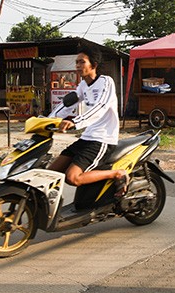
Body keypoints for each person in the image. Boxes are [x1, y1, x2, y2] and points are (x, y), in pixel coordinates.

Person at [48, 44, 129, 195]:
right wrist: (46, 121)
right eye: (77, 62)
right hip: (86, 138)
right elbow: (67, 104)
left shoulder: (106, 82)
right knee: (50, 171)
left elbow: (101, 106)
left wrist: (75, 122)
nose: (78, 66)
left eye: (82, 62)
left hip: (102, 139)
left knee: (73, 178)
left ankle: (117, 174)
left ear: (94, 65)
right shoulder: (83, 86)